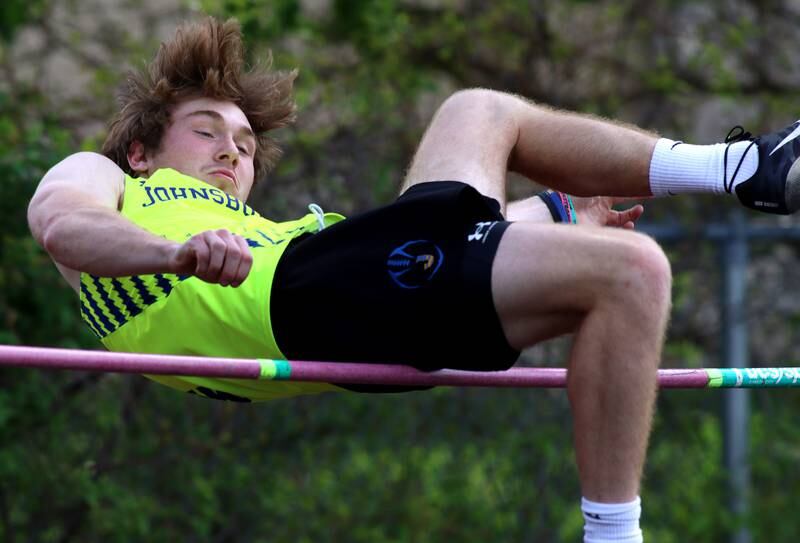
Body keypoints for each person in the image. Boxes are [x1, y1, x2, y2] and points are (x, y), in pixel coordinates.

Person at [26, 16, 800, 543]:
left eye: (247, 143)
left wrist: (557, 215)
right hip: (308, 305)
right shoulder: (116, 184)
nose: (234, 151)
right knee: (634, 274)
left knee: (481, 110)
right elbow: (60, 225)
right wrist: (178, 255)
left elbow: (428, 261)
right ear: (141, 151)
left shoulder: (266, 232)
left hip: (358, 276)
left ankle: (744, 167)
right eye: (207, 131)